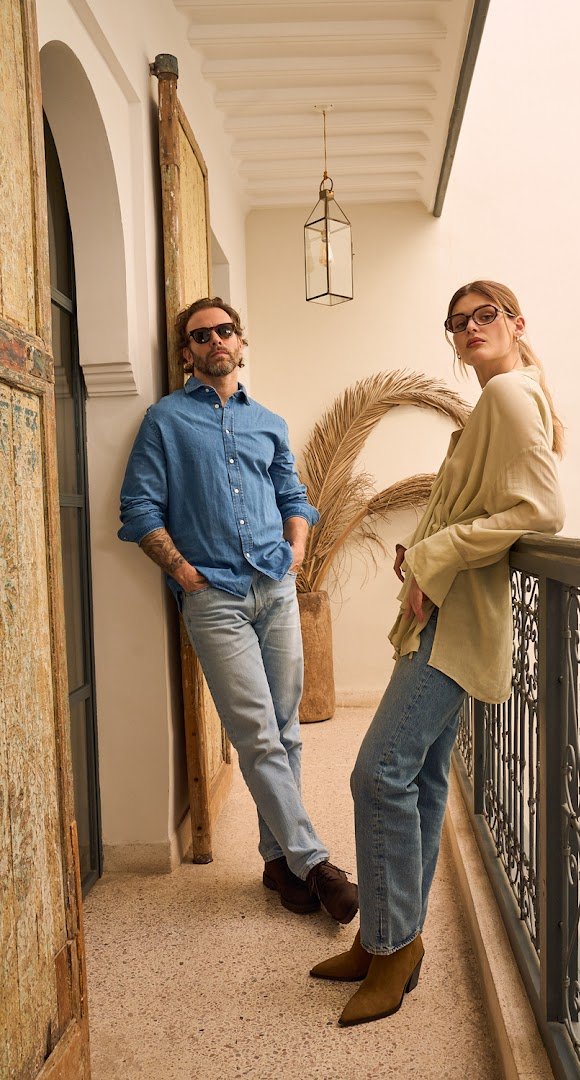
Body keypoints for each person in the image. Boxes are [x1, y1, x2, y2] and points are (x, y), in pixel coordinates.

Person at [310, 280, 565, 1025]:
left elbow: (543, 509)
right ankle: (387, 940)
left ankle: (394, 948)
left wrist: (437, 552)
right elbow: (484, 508)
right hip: (449, 614)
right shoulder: (506, 397)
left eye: (486, 315)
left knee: (377, 773)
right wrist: (424, 553)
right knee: (417, 780)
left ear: (517, 322)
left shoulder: (508, 395)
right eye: (458, 323)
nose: (470, 328)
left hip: (457, 624)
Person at [118, 296, 358, 924]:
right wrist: (183, 573)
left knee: (286, 730)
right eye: (202, 336)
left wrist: (296, 551)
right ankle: (316, 863)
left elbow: (293, 496)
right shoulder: (164, 421)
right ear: (187, 353)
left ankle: (279, 863)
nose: (216, 341)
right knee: (256, 733)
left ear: (241, 343)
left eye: (225, 331)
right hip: (214, 599)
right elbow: (138, 508)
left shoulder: (269, 422)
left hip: (275, 587)